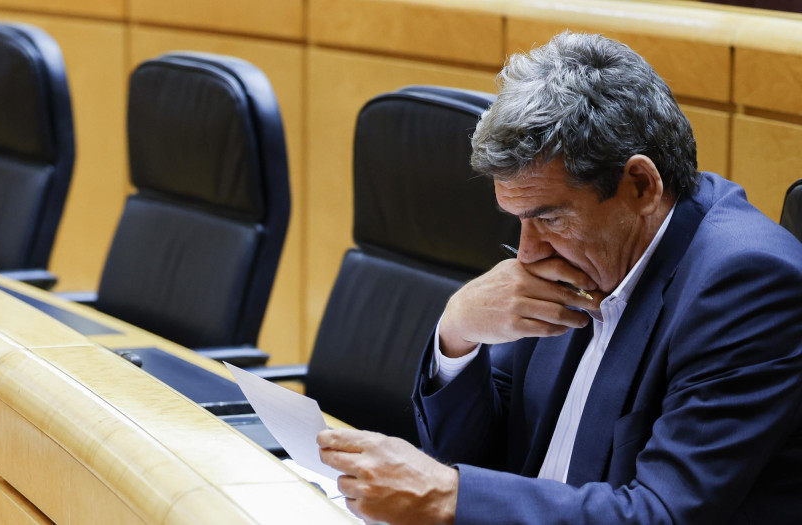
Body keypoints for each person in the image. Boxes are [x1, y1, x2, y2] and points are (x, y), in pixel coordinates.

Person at [318, 32, 802, 524]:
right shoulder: (576, 263)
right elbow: (475, 456)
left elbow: (662, 514)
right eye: (518, 220)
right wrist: (457, 334)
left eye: (549, 218)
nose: (526, 253)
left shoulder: (746, 284)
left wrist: (448, 498)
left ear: (641, 186)